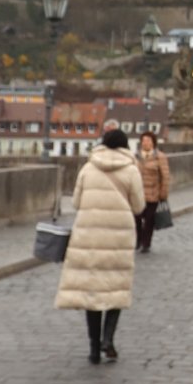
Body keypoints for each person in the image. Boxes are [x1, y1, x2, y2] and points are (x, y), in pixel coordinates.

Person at [54, 127, 144, 365]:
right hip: (118, 236)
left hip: (89, 234)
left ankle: (94, 348)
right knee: (115, 289)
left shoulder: (88, 167)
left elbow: (75, 202)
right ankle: (108, 339)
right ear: (125, 147)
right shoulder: (131, 169)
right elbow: (139, 206)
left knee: (91, 293)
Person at [134, 130, 171, 253]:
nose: (145, 143)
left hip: (153, 194)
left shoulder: (160, 156)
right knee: (137, 219)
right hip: (137, 194)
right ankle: (138, 240)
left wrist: (163, 193)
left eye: (148, 140)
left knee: (149, 220)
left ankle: (146, 243)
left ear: (153, 143)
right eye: (143, 141)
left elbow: (165, 176)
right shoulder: (135, 156)